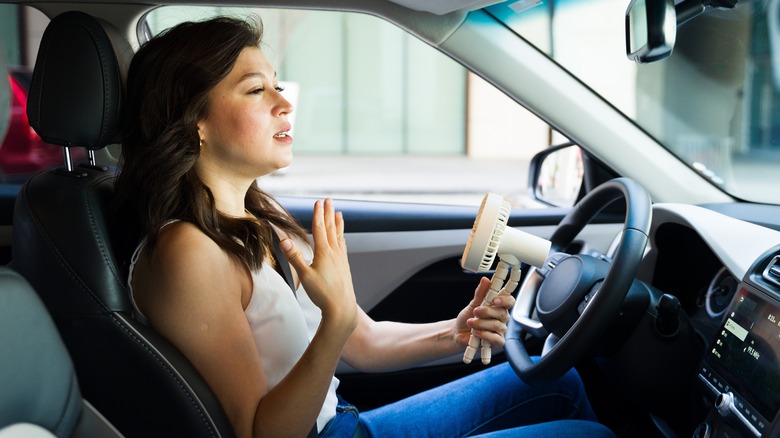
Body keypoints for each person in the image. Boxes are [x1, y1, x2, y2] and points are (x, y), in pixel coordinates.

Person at [115, 16, 614, 438]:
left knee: (558, 383)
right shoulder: (188, 251)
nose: (284, 102)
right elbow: (261, 432)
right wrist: (334, 319)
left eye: (277, 83)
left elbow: (364, 341)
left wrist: (454, 332)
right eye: (254, 90)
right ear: (194, 121)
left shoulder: (255, 218)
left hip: (345, 421)